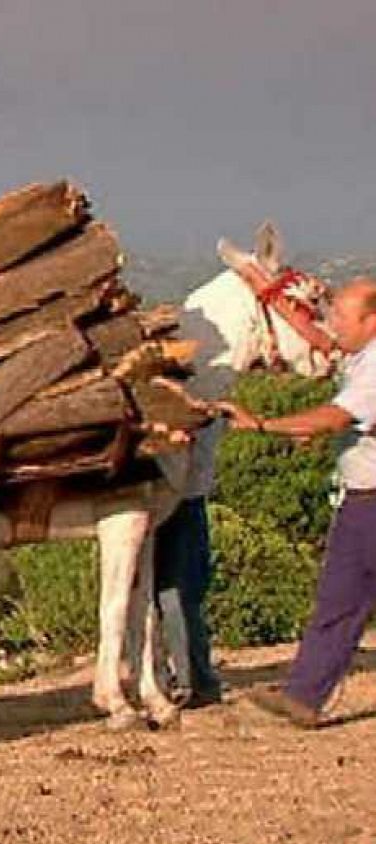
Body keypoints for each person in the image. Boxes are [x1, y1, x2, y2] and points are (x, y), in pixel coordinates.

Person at [218, 277, 376, 728]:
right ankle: (303, 698)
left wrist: (263, 425)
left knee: (342, 601)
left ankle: (304, 696)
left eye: (342, 317)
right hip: (362, 501)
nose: (332, 325)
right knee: (337, 601)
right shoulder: (362, 362)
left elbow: (335, 415)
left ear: (371, 320)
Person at [153, 417, 225, 707]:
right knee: (179, 593)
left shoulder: (195, 403)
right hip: (182, 498)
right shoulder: (204, 399)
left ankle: (185, 679)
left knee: (171, 593)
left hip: (174, 497)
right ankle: (192, 679)